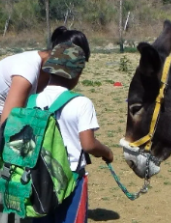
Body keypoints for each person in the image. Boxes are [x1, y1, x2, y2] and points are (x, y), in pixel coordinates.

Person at [0, 27, 90, 223]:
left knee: (20, 182)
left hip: (8, 121)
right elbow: (8, 124)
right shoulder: (27, 69)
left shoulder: (52, 74)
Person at [32, 41, 114, 223]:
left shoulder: (32, 100)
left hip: (37, 177)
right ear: (77, 74)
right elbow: (88, 144)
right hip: (70, 178)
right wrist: (107, 152)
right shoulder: (81, 103)